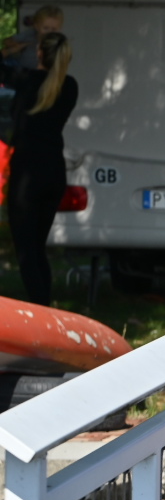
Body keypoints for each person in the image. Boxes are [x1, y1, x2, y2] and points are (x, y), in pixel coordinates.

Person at [5, 31, 76, 307]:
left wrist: (12, 48)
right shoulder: (69, 86)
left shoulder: (26, 80)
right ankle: (45, 307)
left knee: (26, 251)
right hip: (53, 173)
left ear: (39, 54)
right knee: (37, 248)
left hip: (27, 174)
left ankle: (42, 309)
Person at [2, 5, 62, 75]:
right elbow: (7, 41)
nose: (49, 32)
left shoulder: (58, 43)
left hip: (38, 74)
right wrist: (18, 46)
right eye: (46, 28)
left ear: (59, 28)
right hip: (19, 69)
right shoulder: (30, 34)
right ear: (36, 26)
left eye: (54, 29)